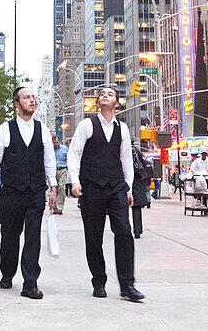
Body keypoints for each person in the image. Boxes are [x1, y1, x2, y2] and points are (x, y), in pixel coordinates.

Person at [68, 85, 144, 302]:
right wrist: (75, 181)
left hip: (116, 187)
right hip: (91, 187)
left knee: (124, 233)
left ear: (116, 103)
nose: (104, 96)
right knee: (93, 237)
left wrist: (127, 187)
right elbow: (75, 153)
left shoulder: (123, 128)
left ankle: (127, 285)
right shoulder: (86, 125)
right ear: (97, 102)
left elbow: (126, 160)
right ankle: (99, 280)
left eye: (110, 94)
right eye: (102, 94)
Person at [0, 85, 58, 299]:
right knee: (9, 235)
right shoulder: (5, 129)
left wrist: (52, 187)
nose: (32, 101)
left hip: (35, 190)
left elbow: (48, 160)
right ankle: (7, 273)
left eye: (33, 97)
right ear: (17, 104)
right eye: (26, 98)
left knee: (33, 235)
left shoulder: (42, 129)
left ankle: (30, 283)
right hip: (12, 191)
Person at [129, 144, 152, 238]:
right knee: (136, 208)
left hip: (124, 182)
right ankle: (137, 230)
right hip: (137, 184)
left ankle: (123, 229)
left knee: (120, 208)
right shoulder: (140, 161)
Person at [189, 150, 208, 215]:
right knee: (203, 194)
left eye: (205, 154)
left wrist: (207, 175)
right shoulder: (197, 161)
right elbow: (192, 169)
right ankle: (205, 209)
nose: (204, 155)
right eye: (202, 154)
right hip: (200, 180)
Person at [53, 134, 69, 214]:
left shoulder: (65, 149)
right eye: (54, 143)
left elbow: (69, 159)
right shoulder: (51, 150)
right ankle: (55, 207)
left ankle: (60, 207)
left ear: (59, 141)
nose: (56, 144)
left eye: (57, 142)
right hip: (54, 170)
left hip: (62, 170)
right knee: (54, 188)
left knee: (61, 187)